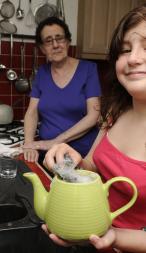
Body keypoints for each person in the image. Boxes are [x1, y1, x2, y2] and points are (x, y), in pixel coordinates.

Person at [42, 5, 146, 253]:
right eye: (125, 50)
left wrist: (115, 236)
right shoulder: (115, 112)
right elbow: (93, 166)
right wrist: (74, 160)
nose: (133, 58)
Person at [23, 16, 101, 164]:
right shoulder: (42, 73)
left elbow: (94, 116)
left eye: (59, 38)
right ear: (42, 48)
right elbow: (32, 112)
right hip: (48, 155)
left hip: (81, 156)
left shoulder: (88, 69)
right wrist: (29, 144)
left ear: (68, 41)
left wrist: (56, 141)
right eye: (48, 41)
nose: (55, 45)